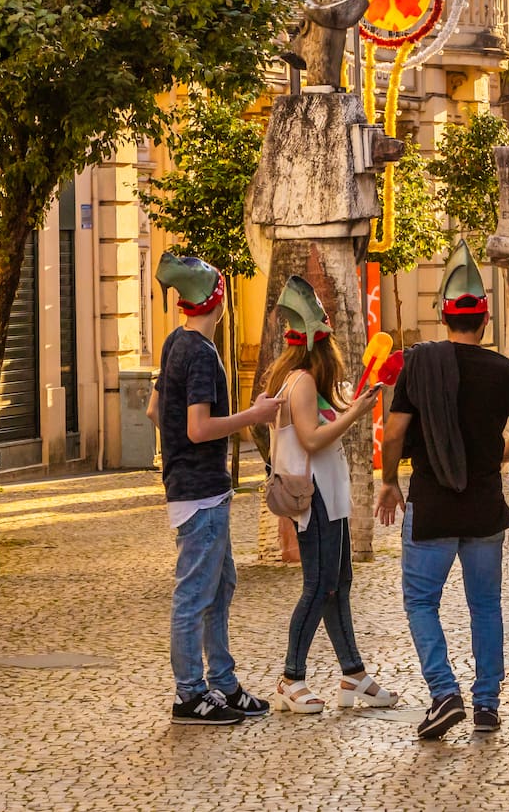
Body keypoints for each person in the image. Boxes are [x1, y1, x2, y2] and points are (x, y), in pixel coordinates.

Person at [372, 244, 509, 738]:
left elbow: (394, 433)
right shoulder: (506, 371)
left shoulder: (420, 365)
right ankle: (487, 704)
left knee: (422, 603)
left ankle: (444, 693)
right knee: (485, 606)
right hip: (485, 507)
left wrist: (389, 481)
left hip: (433, 504)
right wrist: (493, 457)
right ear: (484, 321)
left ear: (444, 318)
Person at [147, 253, 282, 726]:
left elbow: (155, 412)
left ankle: (222, 683)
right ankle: (189, 694)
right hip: (200, 492)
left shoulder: (174, 343)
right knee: (194, 595)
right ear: (219, 304)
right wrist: (254, 415)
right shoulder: (202, 354)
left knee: (220, 587)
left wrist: (178, 452)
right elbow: (199, 427)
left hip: (195, 487)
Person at [263, 276, 395, 717]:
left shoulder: (309, 383)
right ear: (321, 347)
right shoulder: (301, 382)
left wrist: (354, 404)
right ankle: (290, 678)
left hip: (330, 494)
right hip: (315, 495)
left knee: (339, 585)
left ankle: (353, 675)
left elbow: (329, 420)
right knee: (319, 586)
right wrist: (356, 413)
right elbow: (312, 439)